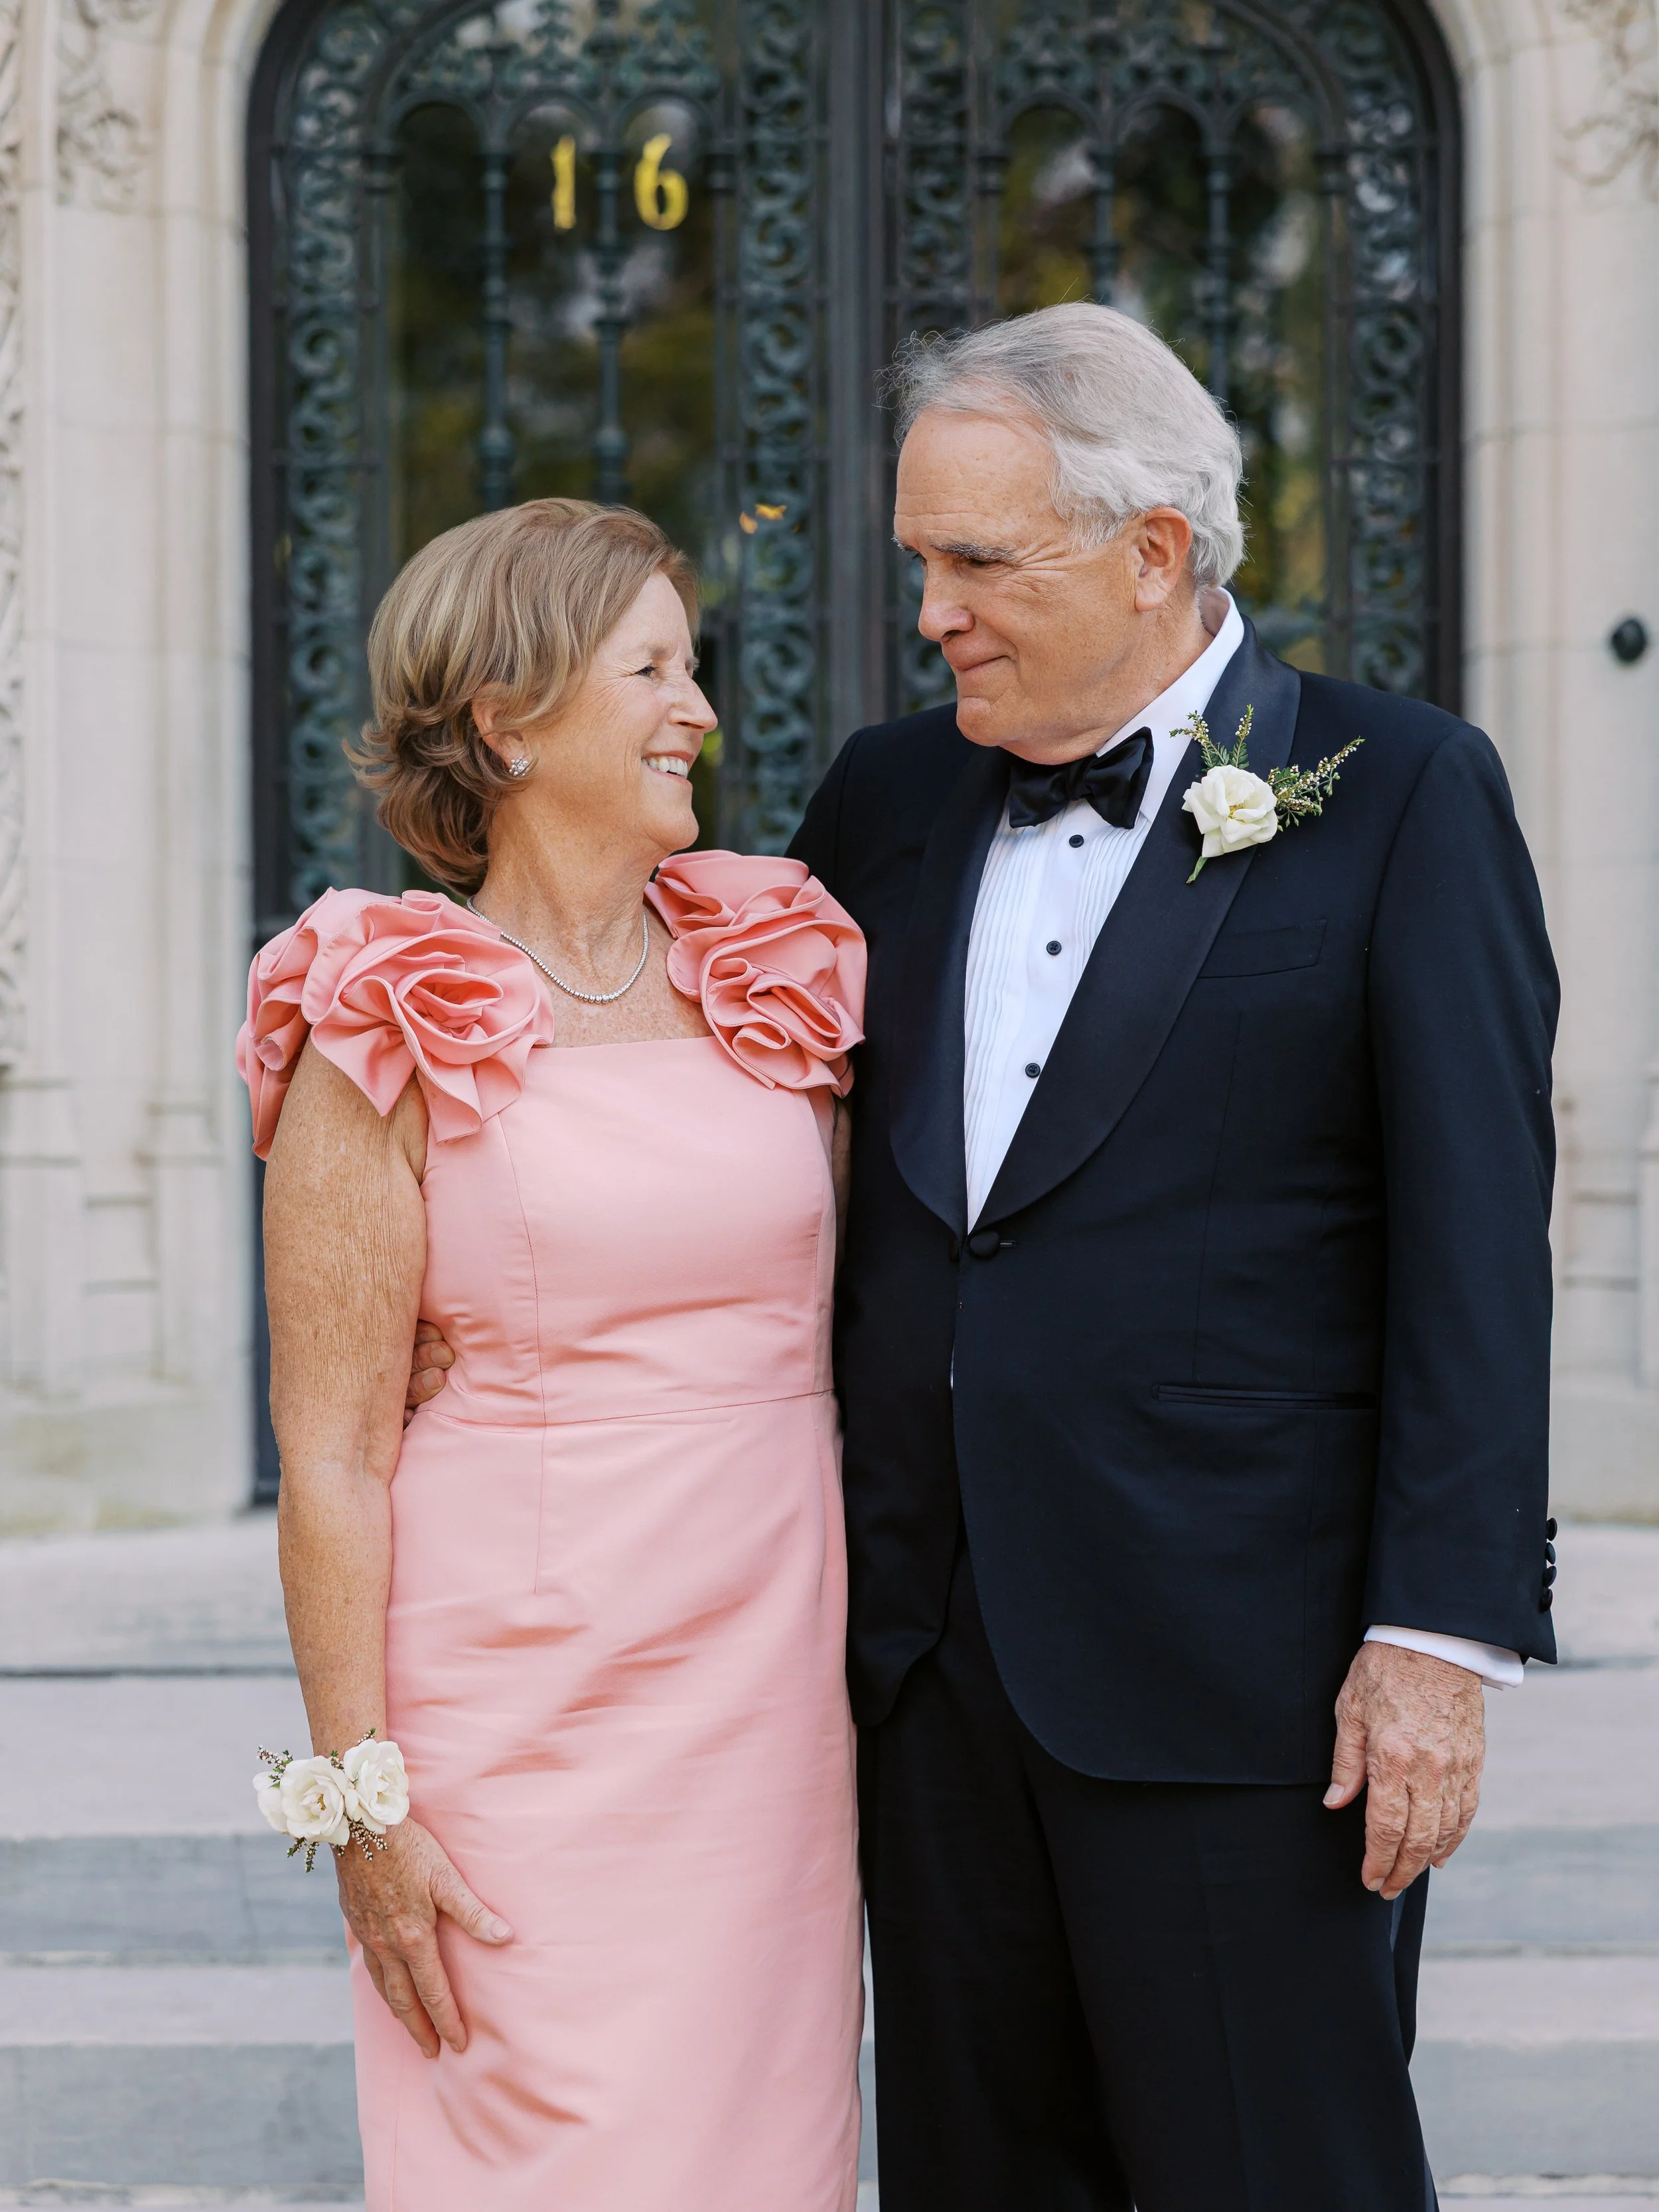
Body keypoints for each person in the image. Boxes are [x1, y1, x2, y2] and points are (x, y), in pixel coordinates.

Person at [405, 306, 1560, 2207]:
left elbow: (1472, 1245)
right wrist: (471, 1279)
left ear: (1153, 552)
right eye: (922, 559)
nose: (929, 608)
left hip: (1242, 1694)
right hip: (922, 1670)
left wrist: (1432, 1638)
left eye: (976, 562)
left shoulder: (1401, 789)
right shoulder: (882, 801)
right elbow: (693, 1102)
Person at [240, 498, 866, 2212]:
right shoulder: (381, 998)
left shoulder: (779, 969)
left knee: (765, 2154)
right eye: (651, 667)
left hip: (766, 1693)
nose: (702, 711)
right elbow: (339, 1450)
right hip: (512, 1698)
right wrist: (363, 1807)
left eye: (696, 664)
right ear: (507, 717)